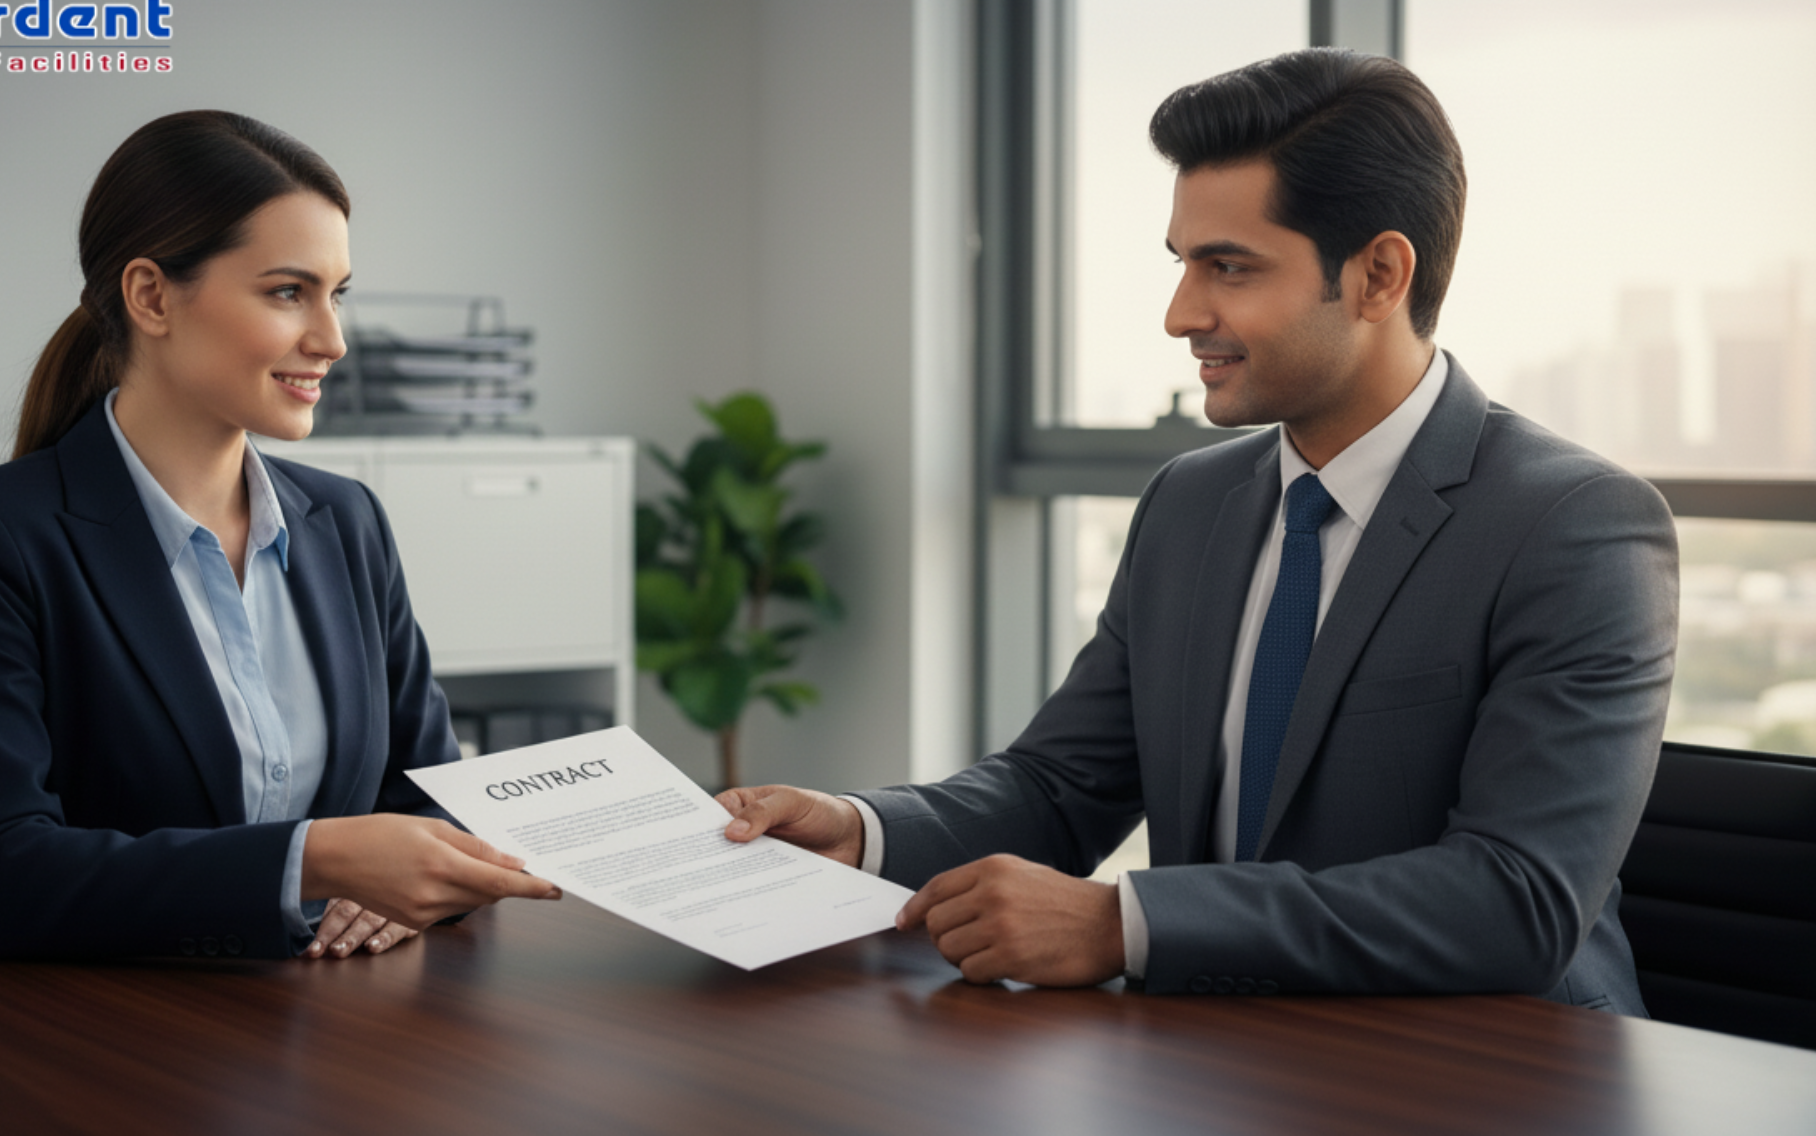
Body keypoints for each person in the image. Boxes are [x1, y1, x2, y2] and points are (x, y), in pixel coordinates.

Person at [719, 49, 1678, 1011]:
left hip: (1496, 1077)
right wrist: (857, 830)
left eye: (1230, 267)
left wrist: (1120, 923)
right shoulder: (1190, 502)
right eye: (1184, 263)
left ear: (1380, 274)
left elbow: (1515, 904)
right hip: (1222, 1056)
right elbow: (1060, 787)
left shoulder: (1574, 529)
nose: (1183, 314)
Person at [0, 111, 560, 960]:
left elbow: (433, 797)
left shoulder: (347, 521)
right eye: (289, 292)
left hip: (340, 1033)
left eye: (337, 295)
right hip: (116, 1047)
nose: (331, 340)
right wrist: (313, 859)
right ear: (151, 296)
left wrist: (415, 896)